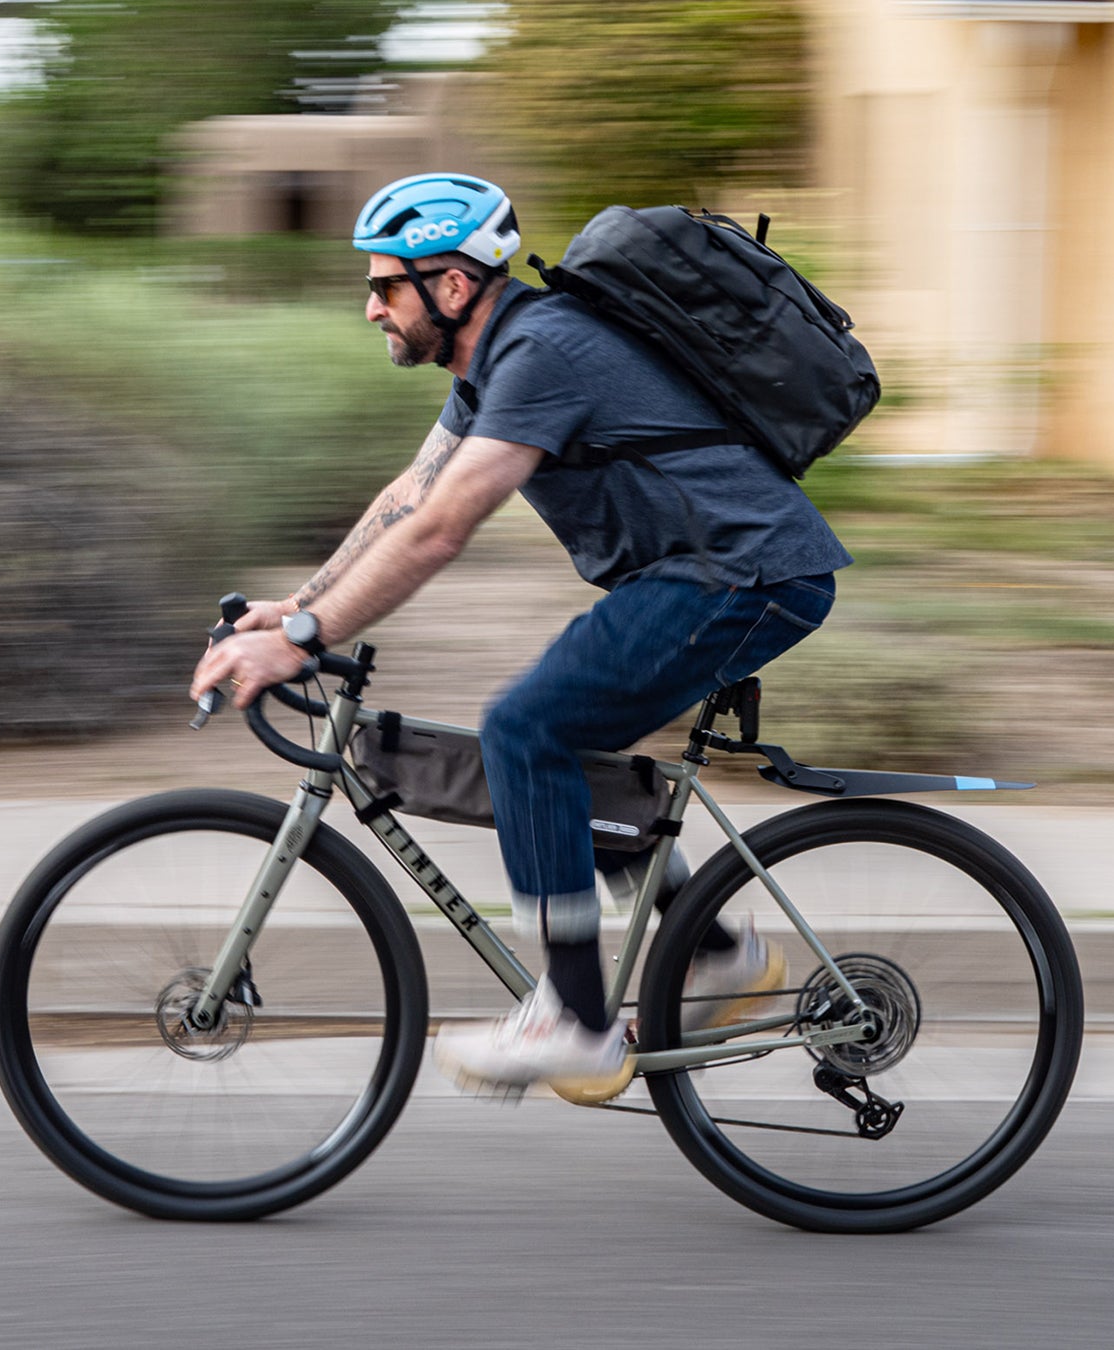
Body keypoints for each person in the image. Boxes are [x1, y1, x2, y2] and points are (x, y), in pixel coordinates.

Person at [187, 172, 851, 1100]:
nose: (371, 307)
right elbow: (409, 496)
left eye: (385, 286)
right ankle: (717, 953)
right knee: (558, 746)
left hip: (745, 574)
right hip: (700, 573)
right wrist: (298, 605)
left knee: (526, 729)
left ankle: (576, 1021)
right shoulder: (495, 362)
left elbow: (442, 528)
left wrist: (302, 640)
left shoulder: (543, 350)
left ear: (452, 286)